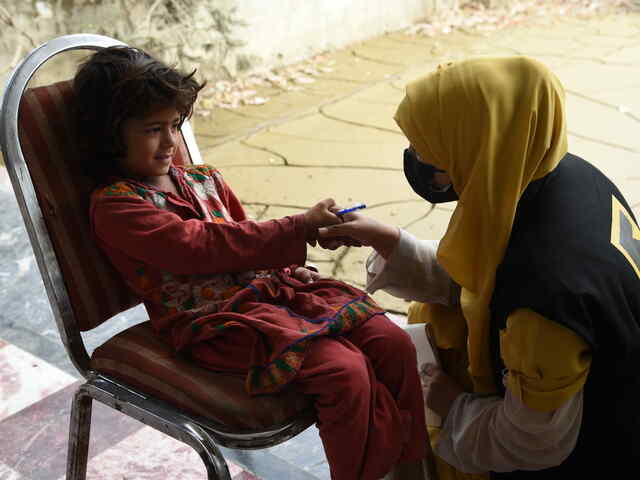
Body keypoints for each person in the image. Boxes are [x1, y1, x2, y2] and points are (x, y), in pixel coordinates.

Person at [73, 45, 429, 480]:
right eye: (153, 129)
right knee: (344, 370)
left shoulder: (203, 179)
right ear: (109, 135)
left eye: (174, 125)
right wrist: (298, 229)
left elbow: (245, 238)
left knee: (389, 341)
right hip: (214, 323)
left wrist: (290, 267)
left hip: (270, 298)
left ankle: (411, 469)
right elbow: (200, 246)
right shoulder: (117, 208)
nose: (171, 142)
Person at [319, 56, 640, 478]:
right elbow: (491, 271)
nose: (416, 158)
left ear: (477, 147)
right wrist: (388, 240)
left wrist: (450, 403)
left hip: (591, 454)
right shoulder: (559, 173)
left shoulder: (543, 301)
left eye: (427, 148)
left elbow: (530, 442)